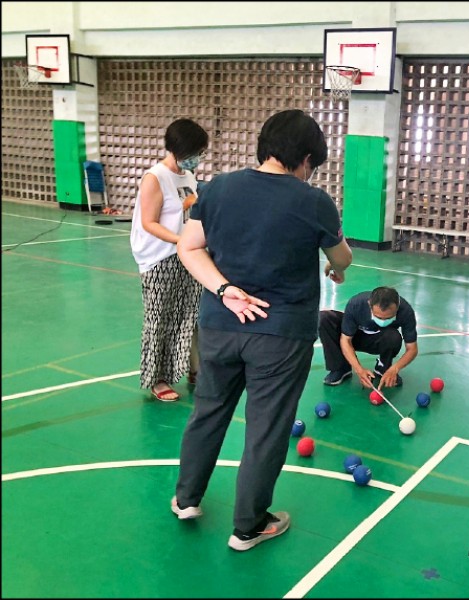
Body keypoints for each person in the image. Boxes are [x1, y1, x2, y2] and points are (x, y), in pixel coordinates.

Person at [173, 109, 353, 552]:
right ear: (306, 157)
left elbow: (189, 247)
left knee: (208, 412)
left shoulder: (216, 188)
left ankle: (186, 499)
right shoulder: (313, 201)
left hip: (220, 324)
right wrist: (334, 263)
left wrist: (225, 289)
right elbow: (343, 258)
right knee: (266, 429)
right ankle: (248, 526)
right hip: (282, 334)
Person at [130, 118, 208, 401]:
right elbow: (149, 222)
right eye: (195, 152)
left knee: (192, 314)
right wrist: (180, 241)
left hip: (186, 255)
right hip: (159, 259)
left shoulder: (188, 177)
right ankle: (158, 379)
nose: (198, 158)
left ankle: (195, 370)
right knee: (159, 318)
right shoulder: (155, 177)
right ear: (178, 149)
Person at [319, 287, 418, 389]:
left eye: (388, 317)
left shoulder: (406, 311)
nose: (383, 321)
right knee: (324, 319)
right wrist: (359, 369)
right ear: (369, 304)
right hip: (355, 337)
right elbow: (345, 340)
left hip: (379, 339)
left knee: (394, 337)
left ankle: (383, 367)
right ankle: (341, 368)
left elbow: (412, 349)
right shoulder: (356, 304)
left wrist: (395, 368)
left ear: (397, 307)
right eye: (378, 317)